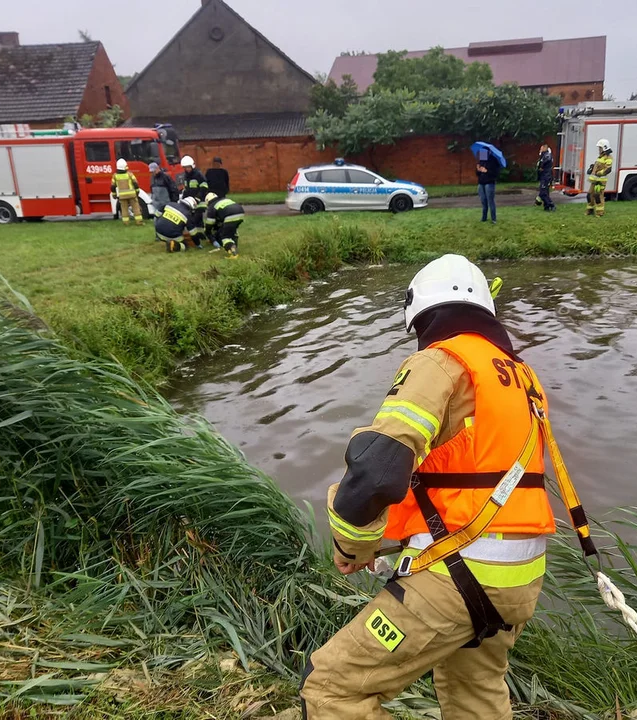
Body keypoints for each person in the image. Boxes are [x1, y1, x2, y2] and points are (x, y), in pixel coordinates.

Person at [300, 254, 555, 719]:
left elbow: (376, 470)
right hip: (520, 576)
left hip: (457, 572)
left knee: (333, 689)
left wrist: (354, 547)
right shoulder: (521, 376)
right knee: (475, 691)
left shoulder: (440, 362)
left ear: (421, 313)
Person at [204, 193, 245, 258]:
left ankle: (233, 252)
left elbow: (210, 223)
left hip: (230, 216)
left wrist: (208, 232)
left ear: (207, 201)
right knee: (232, 230)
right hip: (241, 212)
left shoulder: (212, 206)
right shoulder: (224, 199)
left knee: (225, 237)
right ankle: (234, 245)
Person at [111, 159, 143, 226]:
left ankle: (126, 223)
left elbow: (112, 186)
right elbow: (135, 183)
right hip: (132, 195)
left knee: (124, 210)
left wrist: (114, 195)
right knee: (136, 208)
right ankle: (139, 222)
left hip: (122, 196)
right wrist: (137, 192)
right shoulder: (130, 174)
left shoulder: (115, 176)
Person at [586, 139, 613, 217]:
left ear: (604, 148)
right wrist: (592, 168)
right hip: (595, 180)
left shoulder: (608, 157)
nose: (599, 149)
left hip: (601, 180)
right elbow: (597, 166)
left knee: (598, 196)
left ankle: (599, 213)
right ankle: (590, 210)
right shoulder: (600, 157)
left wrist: (599, 173)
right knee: (589, 195)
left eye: (600, 148)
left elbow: (608, 169)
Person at [476, 149, 500, 223]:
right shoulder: (481, 160)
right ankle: (484, 217)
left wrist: (487, 171)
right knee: (483, 201)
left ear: (489, 152)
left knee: (490, 200)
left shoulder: (493, 160)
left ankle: (493, 218)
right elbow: (477, 174)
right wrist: (478, 170)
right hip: (481, 182)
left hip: (489, 182)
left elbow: (495, 173)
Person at [537, 143, 556, 212]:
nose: (540, 150)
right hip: (543, 176)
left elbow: (544, 162)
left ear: (545, 148)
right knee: (545, 192)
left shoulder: (547, 155)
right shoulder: (543, 156)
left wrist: (541, 167)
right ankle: (546, 206)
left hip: (546, 176)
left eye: (541, 149)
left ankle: (551, 204)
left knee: (543, 192)